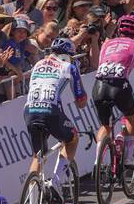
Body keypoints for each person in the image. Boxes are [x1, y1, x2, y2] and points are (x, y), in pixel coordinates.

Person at [22, 37, 87, 190]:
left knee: (38, 156)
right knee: (72, 139)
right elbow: (81, 102)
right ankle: (56, 182)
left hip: (29, 110)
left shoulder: (37, 64)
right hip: (50, 111)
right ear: (68, 55)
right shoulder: (69, 67)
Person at [93, 13, 134, 154]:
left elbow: (98, 64)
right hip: (119, 85)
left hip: (99, 85)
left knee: (105, 126)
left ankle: (97, 160)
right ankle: (129, 156)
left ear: (119, 29)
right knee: (131, 117)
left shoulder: (106, 44)